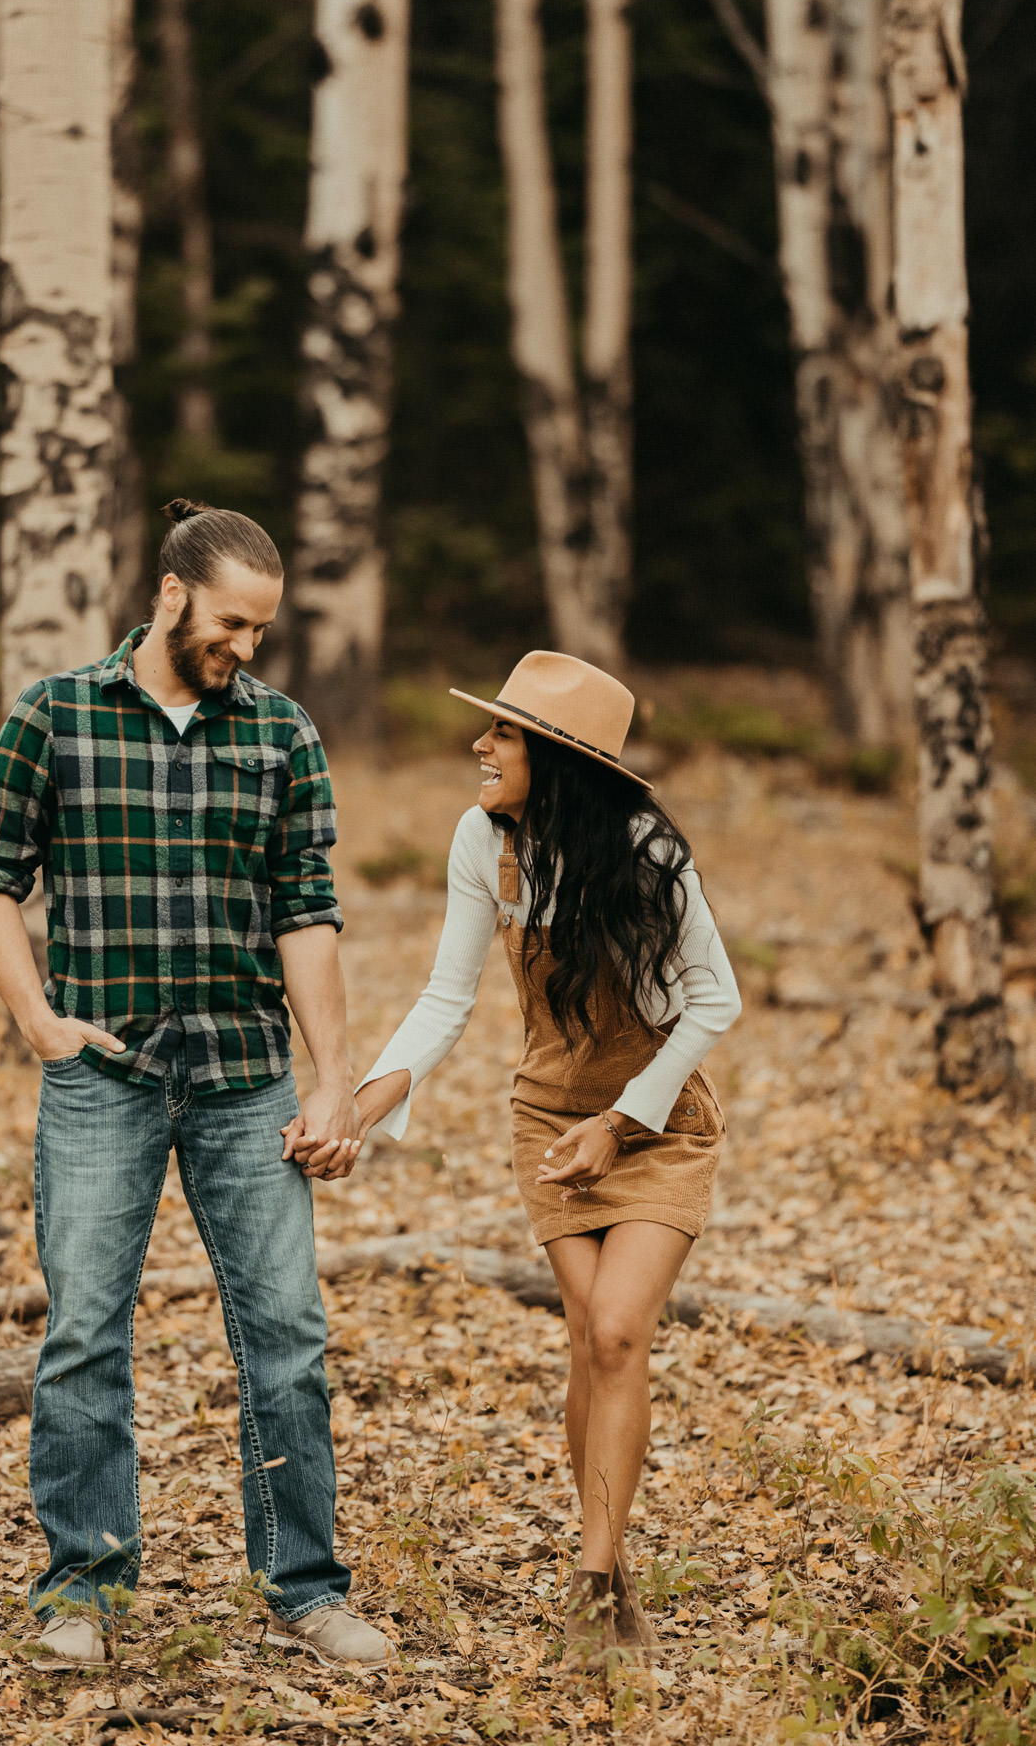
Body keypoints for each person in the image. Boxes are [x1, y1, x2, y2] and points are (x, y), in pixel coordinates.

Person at [0, 499, 387, 1672]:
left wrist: (334, 1079)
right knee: (87, 1333)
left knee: (285, 1336)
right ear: (170, 593)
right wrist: (37, 1019)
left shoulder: (282, 735)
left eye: (261, 630)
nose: (244, 647)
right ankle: (82, 1591)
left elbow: (306, 914)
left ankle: (303, 1588)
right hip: (106, 1078)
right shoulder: (56, 714)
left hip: (247, 1080)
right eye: (231, 622)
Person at [352, 652, 740, 1662]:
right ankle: (603, 1563)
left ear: (559, 759)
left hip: (655, 1126)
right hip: (544, 1121)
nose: (479, 745)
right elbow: (448, 994)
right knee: (587, 1339)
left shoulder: (649, 853)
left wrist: (621, 1120)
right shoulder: (482, 844)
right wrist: (380, 1088)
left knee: (616, 1333)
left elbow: (714, 1000)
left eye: (505, 734)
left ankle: (594, 1582)